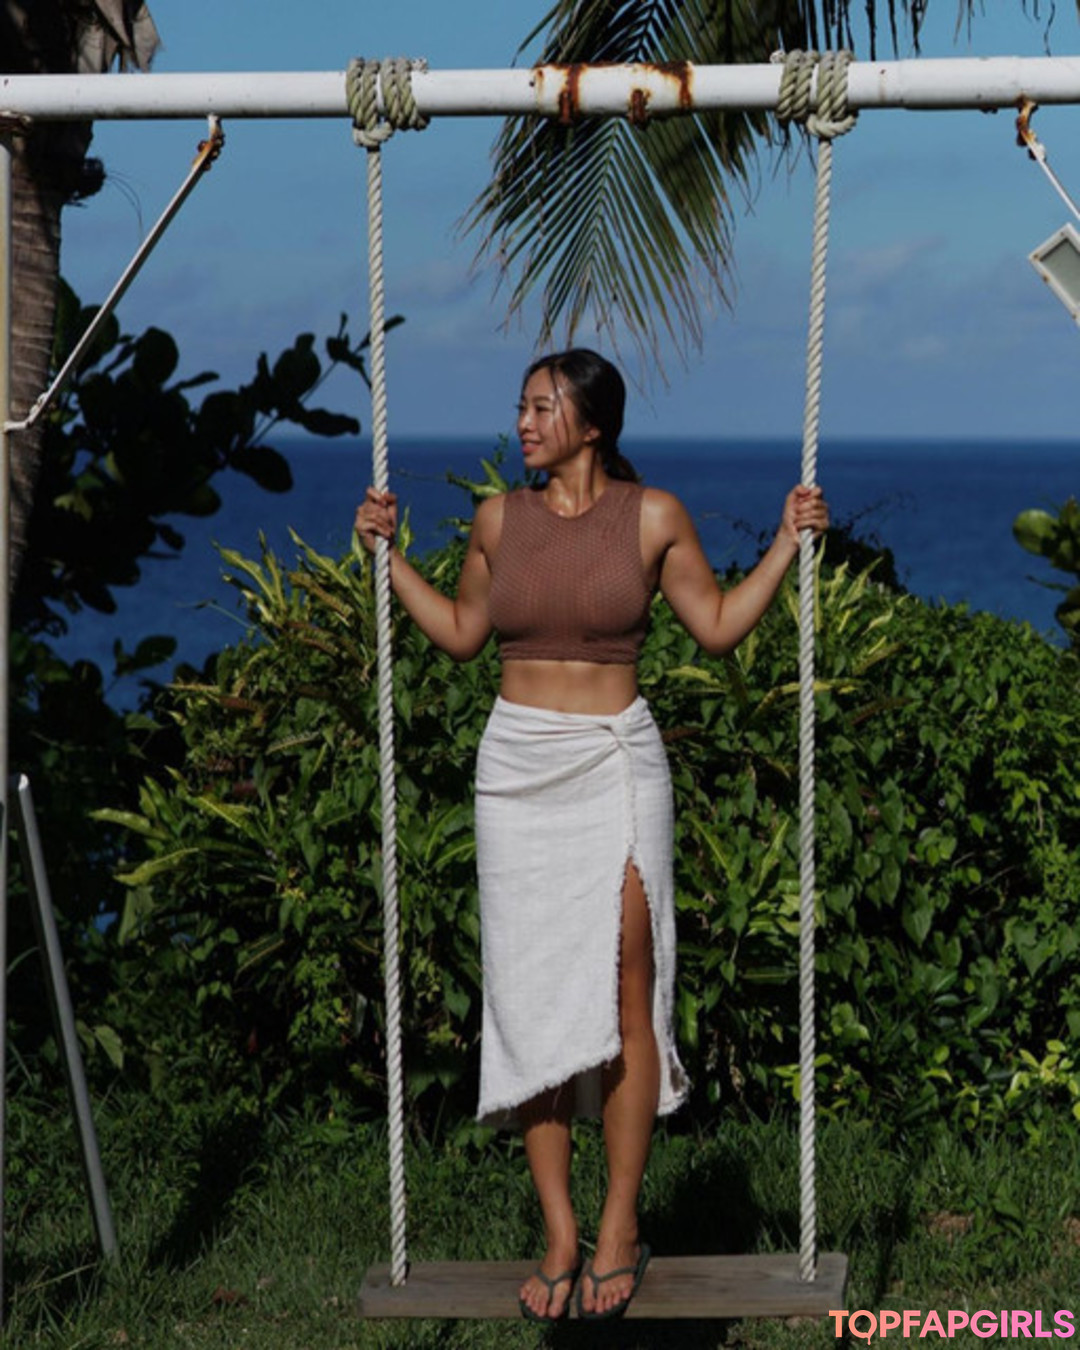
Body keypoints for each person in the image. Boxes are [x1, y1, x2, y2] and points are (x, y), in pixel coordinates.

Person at [353, 348, 829, 1322]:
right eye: (522, 407)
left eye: (541, 408)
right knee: (529, 997)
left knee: (627, 985)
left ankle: (619, 1225)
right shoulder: (499, 520)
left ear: (592, 423)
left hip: (616, 763)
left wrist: (786, 542)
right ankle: (560, 1232)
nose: (523, 424)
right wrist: (386, 559)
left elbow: (717, 626)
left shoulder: (653, 517)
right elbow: (462, 634)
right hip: (517, 771)